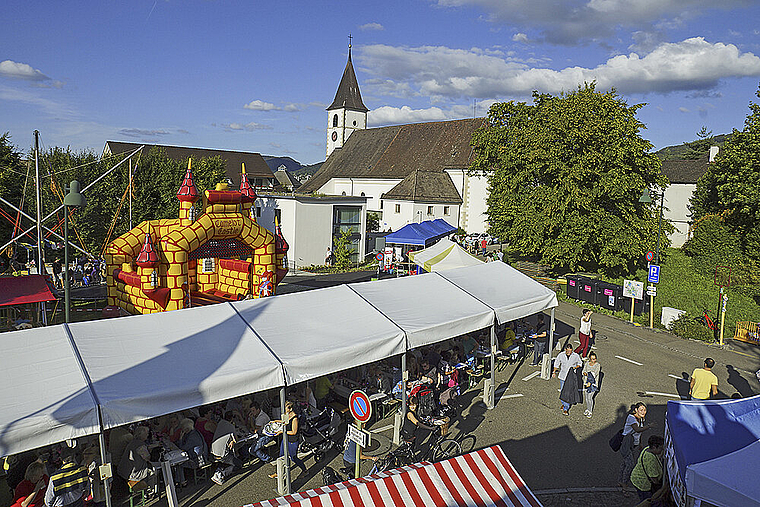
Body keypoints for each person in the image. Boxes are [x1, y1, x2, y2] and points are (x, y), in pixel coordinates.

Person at [619, 403, 656, 492]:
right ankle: (624, 484)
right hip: (626, 443)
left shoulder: (641, 419)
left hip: (633, 444)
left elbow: (640, 433)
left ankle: (620, 480)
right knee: (630, 464)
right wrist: (649, 426)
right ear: (636, 410)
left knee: (625, 463)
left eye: (644, 410)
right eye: (641, 410)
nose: (643, 412)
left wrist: (640, 443)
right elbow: (637, 429)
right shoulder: (631, 418)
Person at [268, 401, 306, 479]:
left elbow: (294, 432)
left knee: (293, 457)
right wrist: (275, 421)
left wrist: (282, 432)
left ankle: (305, 470)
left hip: (292, 441)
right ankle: (278, 472)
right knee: (281, 456)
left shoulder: (295, 419)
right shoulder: (286, 414)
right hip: (285, 439)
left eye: (285, 407)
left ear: (290, 408)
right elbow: (284, 422)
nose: (283, 409)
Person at [117, 426, 156, 492]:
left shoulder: (133, 442)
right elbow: (147, 458)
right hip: (133, 474)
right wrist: (150, 450)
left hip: (124, 472)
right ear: (141, 435)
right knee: (153, 471)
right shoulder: (140, 445)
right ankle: (150, 491)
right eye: (146, 433)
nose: (147, 435)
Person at [210, 412, 243, 485]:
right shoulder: (231, 426)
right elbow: (237, 440)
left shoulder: (220, 423)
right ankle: (221, 474)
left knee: (229, 455)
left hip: (213, 452)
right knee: (239, 464)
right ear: (232, 419)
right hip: (222, 455)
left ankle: (219, 470)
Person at [631, 435, 664, 501]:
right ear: (654, 447)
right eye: (661, 448)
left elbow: (657, 458)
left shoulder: (647, 449)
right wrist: (661, 487)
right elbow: (654, 479)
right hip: (643, 484)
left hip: (636, 478)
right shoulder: (650, 459)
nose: (662, 450)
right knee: (646, 501)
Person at [177, 418, 208, 486]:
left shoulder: (192, 437)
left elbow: (183, 448)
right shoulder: (194, 432)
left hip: (198, 460)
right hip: (199, 456)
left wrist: (180, 438)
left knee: (179, 463)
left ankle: (182, 482)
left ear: (186, 429)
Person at [554, 343, 583, 415]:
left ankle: (566, 408)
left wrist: (575, 367)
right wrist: (554, 372)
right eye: (568, 351)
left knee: (568, 392)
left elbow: (580, 363)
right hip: (563, 376)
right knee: (563, 391)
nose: (569, 352)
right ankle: (564, 404)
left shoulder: (576, 356)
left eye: (570, 351)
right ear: (565, 349)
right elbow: (556, 363)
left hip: (571, 377)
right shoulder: (561, 355)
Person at [581, 352, 601, 418]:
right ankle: (588, 409)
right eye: (592, 359)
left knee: (590, 398)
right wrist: (584, 373)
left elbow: (595, 374)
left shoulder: (597, 365)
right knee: (586, 397)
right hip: (586, 383)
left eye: (595, 359)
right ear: (589, 359)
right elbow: (583, 371)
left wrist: (588, 377)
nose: (593, 360)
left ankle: (590, 411)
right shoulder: (587, 363)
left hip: (593, 384)